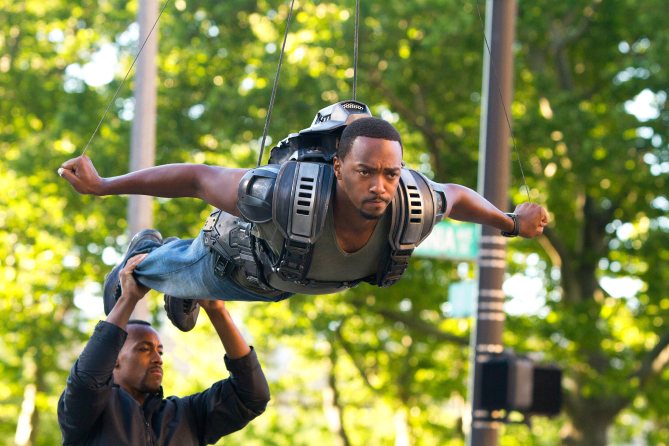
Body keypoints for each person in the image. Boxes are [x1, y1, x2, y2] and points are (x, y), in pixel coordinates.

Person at [58, 101, 549, 332]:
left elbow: (457, 196)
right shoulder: (284, 195)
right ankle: (147, 254)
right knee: (168, 271)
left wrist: (511, 222)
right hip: (235, 266)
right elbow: (197, 178)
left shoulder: (412, 205)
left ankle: (183, 287)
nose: (380, 186)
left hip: (287, 282)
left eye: (390, 173)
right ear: (337, 167)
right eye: (365, 172)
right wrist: (104, 186)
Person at [57, 254, 270, 445]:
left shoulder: (188, 415)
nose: (158, 358)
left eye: (159, 351)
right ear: (115, 359)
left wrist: (217, 311)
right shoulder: (87, 412)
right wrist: (128, 298)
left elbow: (252, 396)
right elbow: (87, 378)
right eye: (144, 349)